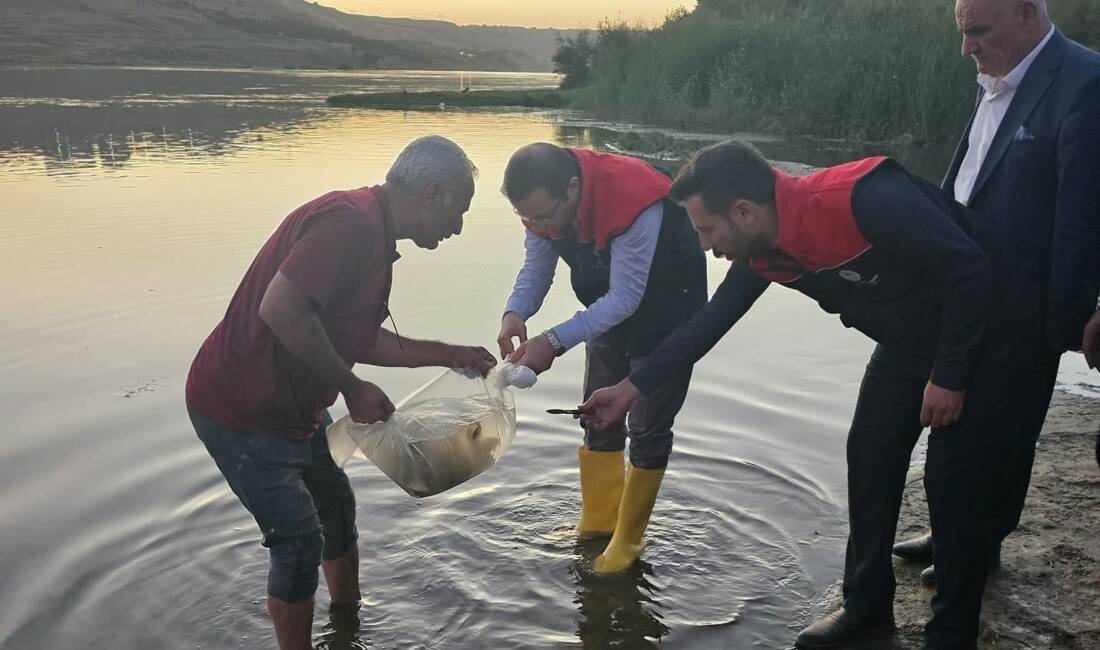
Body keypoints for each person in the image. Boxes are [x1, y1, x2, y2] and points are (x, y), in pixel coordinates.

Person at [579, 140, 1007, 648]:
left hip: (982, 333)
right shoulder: (765, 250)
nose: (705, 245)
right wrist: (630, 389)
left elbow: (970, 268)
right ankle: (867, 608)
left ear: (744, 211)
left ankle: (951, 635)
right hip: (908, 343)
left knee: (952, 484)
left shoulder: (863, 198)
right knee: (869, 456)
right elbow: (710, 322)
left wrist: (951, 374)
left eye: (706, 229)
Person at [185, 135, 497, 650]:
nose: (458, 227)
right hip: (239, 407)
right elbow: (281, 309)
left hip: (293, 407)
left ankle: (348, 624)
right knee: (297, 539)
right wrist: (351, 387)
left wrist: (449, 353)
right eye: (458, 212)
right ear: (432, 194)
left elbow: (359, 337)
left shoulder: (374, 235)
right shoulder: (349, 222)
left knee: (336, 506)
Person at [892, 0, 1100, 585]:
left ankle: (978, 550)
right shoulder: (997, 78)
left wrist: (1079, 314)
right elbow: (972, 178)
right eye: (963, 32)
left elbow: (1084, 217)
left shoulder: (1087, 84)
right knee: (964, 432)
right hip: (968, 293)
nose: (967, 48)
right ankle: (953, 532)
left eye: (978, 31)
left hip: (1032, 305)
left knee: (1007, 433)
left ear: (1027, 13)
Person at [496, 143, 707, 573]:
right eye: (528, 219)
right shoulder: (542, 204)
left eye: (544, 216)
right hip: (607, 308)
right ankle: (597, 524)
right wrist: (514, 311)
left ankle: (628, 540)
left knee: (647, 425)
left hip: (669, 308)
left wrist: (553, 342)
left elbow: (627, 297)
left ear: (573, 189)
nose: (539, 227)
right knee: (597, 413)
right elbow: (537, 268)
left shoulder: (632, 195)